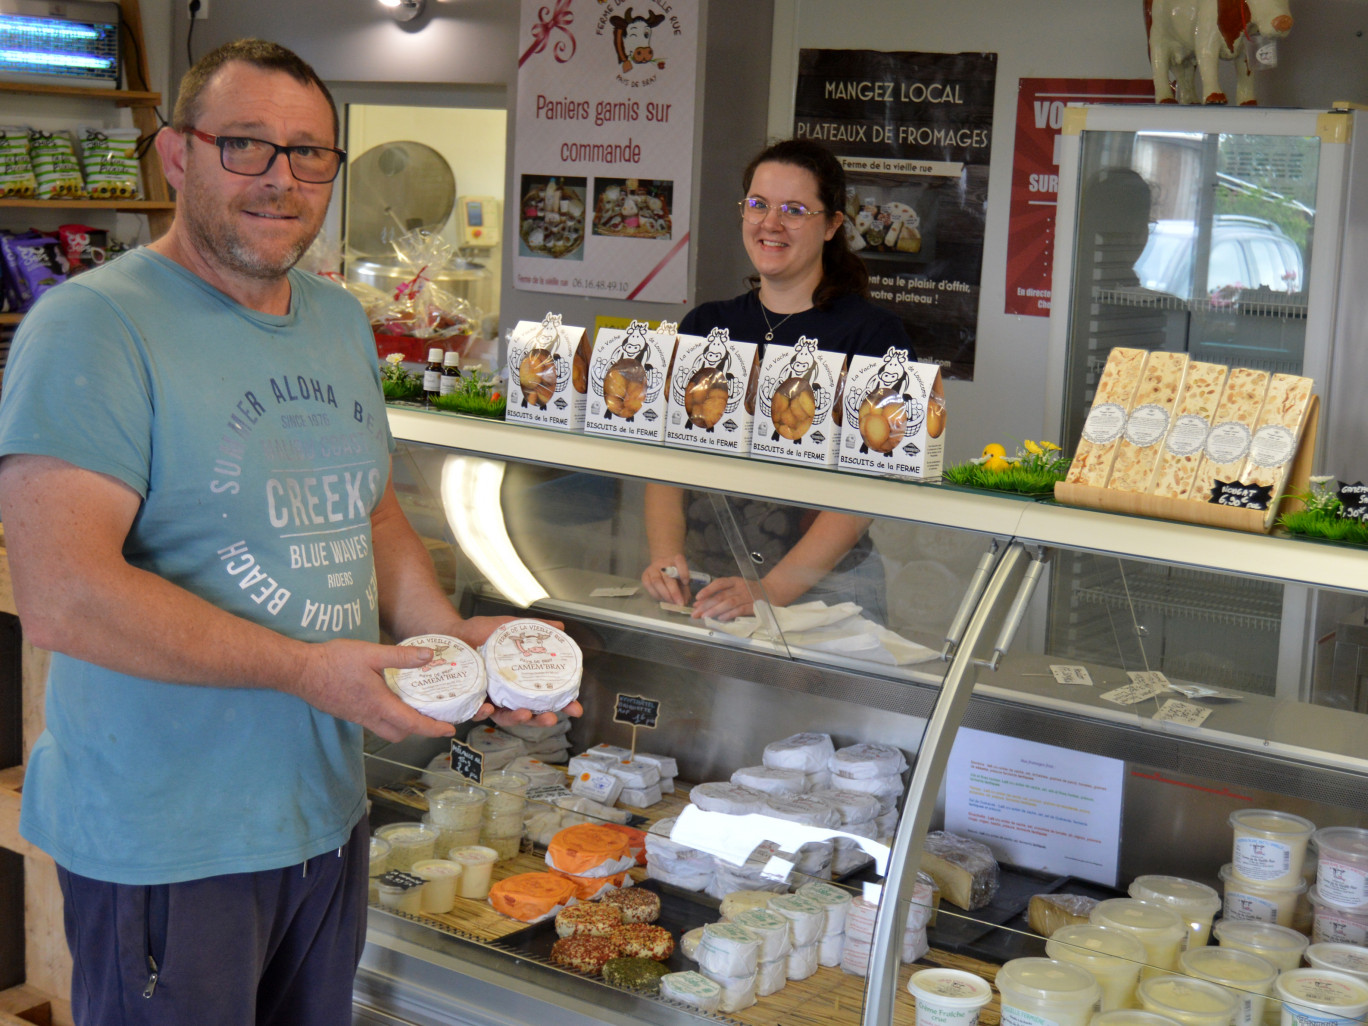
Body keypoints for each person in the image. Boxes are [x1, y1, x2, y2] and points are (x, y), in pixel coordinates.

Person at [0, 39, 577, 1026]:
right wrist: (307, 671)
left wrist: (441, 643)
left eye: (310, 153)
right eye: (247, 146)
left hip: (319, 814)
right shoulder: (92, 325)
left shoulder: (334, 319)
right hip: (170, 842)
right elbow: (64, 596)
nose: (283, 179)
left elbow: (373, 509)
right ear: (176, 155)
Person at [642, 138, 915, 622]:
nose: (771, 223)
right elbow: (667, 458)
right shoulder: (705, 325)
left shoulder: (874, 334)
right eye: (758, 205)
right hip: (708, 584)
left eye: (794, 209)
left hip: (821, 593)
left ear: (832, 225)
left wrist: (771, 591)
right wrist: (667, 557)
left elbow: (868, 488)